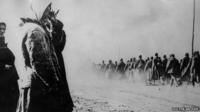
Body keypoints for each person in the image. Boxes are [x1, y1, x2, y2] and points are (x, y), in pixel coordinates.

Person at [17, 4, 74, 112]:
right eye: (47, 12)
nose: (49, 16)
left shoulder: (34, 28)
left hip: (36, 85)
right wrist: (55, 87)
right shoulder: (36, 31)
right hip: (39, 88)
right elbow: (41, 67)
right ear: (40, 12)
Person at [0, 22, 19, 112]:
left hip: (10, 76)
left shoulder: (3, 41)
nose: (2, 31)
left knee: (13, 96)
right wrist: (3, 66)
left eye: (4, 29)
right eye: (0, 29)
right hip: (2, 76)